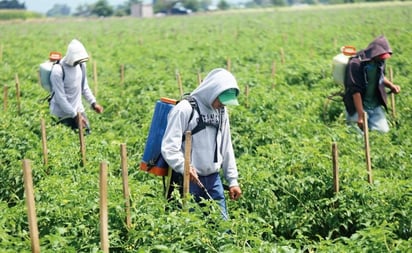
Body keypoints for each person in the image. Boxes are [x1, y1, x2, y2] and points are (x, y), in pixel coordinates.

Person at [161, 68, 242, 219]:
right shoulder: (185, 109)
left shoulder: (221, 112)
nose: (222, 105)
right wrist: (183, 166)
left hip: (213, 179)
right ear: (213, 91)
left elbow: (226, 146)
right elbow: (169, 147)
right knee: (189, 227)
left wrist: (233, 181)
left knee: (222, 227)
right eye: (221, 101)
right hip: (187, 179)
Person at [343, 35, 401, 133]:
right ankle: (355, 119)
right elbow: (355, 91)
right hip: (357, 106)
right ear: (375, 54)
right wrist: (361, 116)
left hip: (374, 104)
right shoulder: (356, 63)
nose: (383, 60)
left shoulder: (380, 62)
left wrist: (391, 85)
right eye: (381, 57)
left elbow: (380, 77)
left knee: (383, 132)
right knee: (358, 136)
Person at [49, 39, 103, 134]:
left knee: (86, 134)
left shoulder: (81, 65)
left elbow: (84, 87)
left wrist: (93, 103)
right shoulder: (58, 70)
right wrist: (75, 116)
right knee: (64, 139)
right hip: (61, 114)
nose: (78, 63)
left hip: (78, 110)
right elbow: (60, 98)